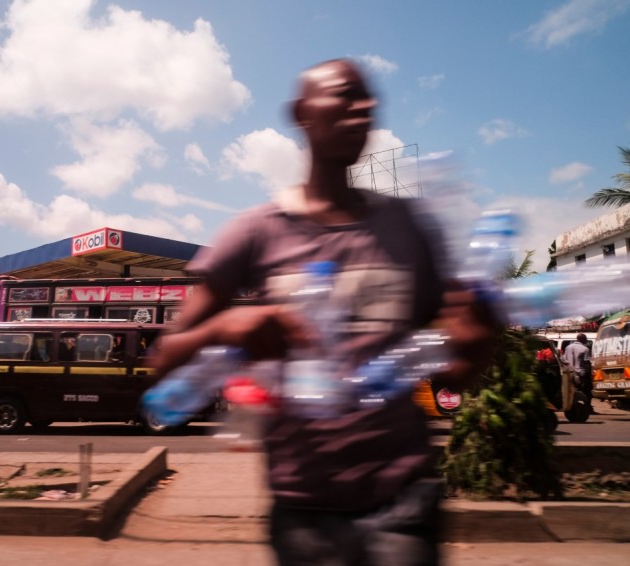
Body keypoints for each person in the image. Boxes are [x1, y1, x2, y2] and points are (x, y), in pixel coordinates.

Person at [150, 59, 498, 565]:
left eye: (370, 97)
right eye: (346, 95)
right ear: (302, 113)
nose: (367, 107)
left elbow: (453, 373)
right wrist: (232, 326)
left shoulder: (408, 227)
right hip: (303, 517)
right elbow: (165, 358)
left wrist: (476, 344)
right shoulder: (257, 231)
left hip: (404, 502)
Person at [564, 333, 593, 413]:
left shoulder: (568, 347)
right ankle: (587, 408)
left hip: (569, 373)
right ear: (584, 339)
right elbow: (587, 363)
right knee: (586, 392)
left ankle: (572, 407)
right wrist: (588, 374)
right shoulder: (585, 349)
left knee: (571, 391)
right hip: (581, 374)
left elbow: (564, 360)